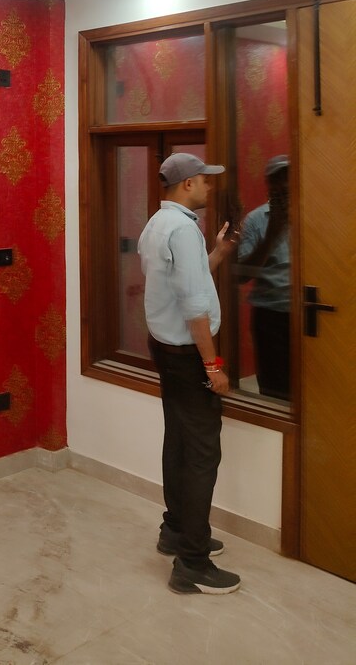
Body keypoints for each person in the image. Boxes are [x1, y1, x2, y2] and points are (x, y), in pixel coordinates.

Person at [138, 152, 241, 595]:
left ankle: (176, 530)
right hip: (187, 355)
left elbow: (185, 281)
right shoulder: (181, 229)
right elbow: (195, 305)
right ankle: (193, 564)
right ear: (186, 185)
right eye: (204, 180)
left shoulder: (158, 224)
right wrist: (213, 365)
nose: (209, 187)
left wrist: (218, 252)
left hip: (166, 349)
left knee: (179, 440)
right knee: (201, 454)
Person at [236, 155, 290, 400]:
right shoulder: (256, 220)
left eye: (288, 177)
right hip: (271, 315)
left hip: (309, 312)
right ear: (270, 184)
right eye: (278, 179)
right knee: (274, 388)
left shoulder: (314, 215)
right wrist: (272, 235)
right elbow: (241, 275)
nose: (284, 184)